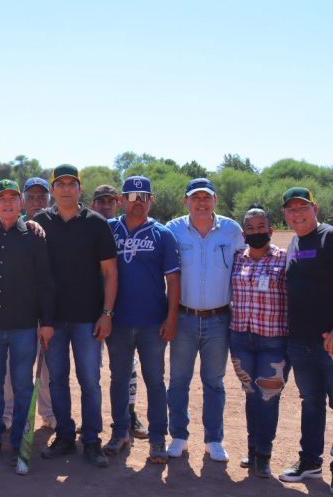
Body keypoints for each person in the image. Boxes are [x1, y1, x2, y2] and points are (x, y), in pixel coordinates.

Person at [276, 187, 333, 496]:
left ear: (315, 208)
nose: (297, 214)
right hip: (301, 343)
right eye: (291, 209)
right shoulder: (295, 242)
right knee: (311, 402)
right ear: (285, 214)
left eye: (303, 207)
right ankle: (310, 462)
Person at [32, 165, 118, 467]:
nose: (66, 188)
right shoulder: (39, 222)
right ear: (52, 190)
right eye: (60, 184)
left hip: (87, 318)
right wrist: (43, 319)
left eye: (72, 183)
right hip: (52, 319)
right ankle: (66, 436)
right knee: (56, 381)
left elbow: (110, 272)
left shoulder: (95, 224)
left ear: (80, 189)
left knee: (90, 381)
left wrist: (107, 313)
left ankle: (91, 439)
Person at [0, 180, 55, 463]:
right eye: (1, 198)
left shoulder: (34, 236)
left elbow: (45, 282)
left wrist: (47, 322)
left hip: (23, 326)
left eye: (12, 198)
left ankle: (19, 441)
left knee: (22, 386)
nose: (7, 203)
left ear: (20, 204)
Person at [165, 178, 245, 462]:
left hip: (219, 319)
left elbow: (246, 266)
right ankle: (178, 437)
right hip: (184, 318)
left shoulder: (232, 231)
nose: (201, 203)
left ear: (215, 200)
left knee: (214, 382)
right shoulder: (173, 230)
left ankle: (214, 440)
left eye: (206, 197)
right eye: (195, 197)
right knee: (178, 381)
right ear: (185, 201)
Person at [104, 176, 180, 464]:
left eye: (144, 197)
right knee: (119, 378)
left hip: (152, 322)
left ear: (152, 200)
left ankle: (158, 439)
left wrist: (171, 317)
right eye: (132, 198)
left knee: (155, 380)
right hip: (118, 321)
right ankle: (120, 432)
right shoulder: (109, 230)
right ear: (122, 200)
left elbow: (173, 279)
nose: (138, 204)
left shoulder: (161, 234)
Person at [229, 205, 289, 478]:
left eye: (260, 227)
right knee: (251, 395)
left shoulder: (284, 260)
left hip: (273, 340)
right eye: (250, 229)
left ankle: (264, 453)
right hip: (241, 338)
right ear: (244, 233)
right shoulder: (236, 259)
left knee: (268, 397)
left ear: (271, 230)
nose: (256, 232)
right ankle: (252, 449)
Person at [91, 183, 148, 439]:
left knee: (126, 368)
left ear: (118, 203)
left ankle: (131, 414)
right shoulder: (88, 228)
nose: (105, 206)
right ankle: (93, 419)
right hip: (90, 308)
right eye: (100, 202)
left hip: (122, 310)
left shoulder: (127, 229)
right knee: (91, 368)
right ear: (93, 205)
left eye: (109, 201)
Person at [21, 176, 55, 430]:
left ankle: (49, 414)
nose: (36, 202)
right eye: (31, 197)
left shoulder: (55, 226)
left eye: (41, 197)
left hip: (48, 309)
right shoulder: (15, 226)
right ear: (23, 201)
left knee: (48, 369)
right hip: (20, 310)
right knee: (18, 366)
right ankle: (11, 416)